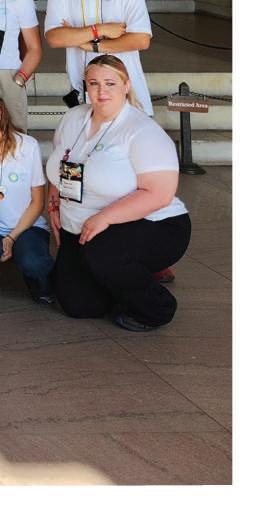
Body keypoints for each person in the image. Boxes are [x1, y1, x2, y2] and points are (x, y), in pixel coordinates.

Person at [46, 55, 190, 332]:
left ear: (126, 85)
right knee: (78, 305)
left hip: (152, 224)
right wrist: (55, 199)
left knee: (103, 253)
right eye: (94, 83)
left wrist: (105, 218)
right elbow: (61, 160)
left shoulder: (142, 130)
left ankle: (157, 309)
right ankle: (121, 280)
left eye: (110, 83)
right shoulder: (73, 118)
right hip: (82, 228)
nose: (101, 91)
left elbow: (159, 194)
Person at [44, 0, 153, 115]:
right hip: (83, 96)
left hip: (128, 97)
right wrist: (100, 30)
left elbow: (141, 40)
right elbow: (54, 38)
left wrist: (88, 44)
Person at [0, 98, 54, 303]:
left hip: (27, 227)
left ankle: (42, 282)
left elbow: (38, 203)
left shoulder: (27, 145)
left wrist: (11, 237)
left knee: (34, 263)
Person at [0, 0, 43, 132]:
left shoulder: (21, 2)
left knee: (15, 137)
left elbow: (34, 48)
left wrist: (19, 80)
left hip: (7, 75)